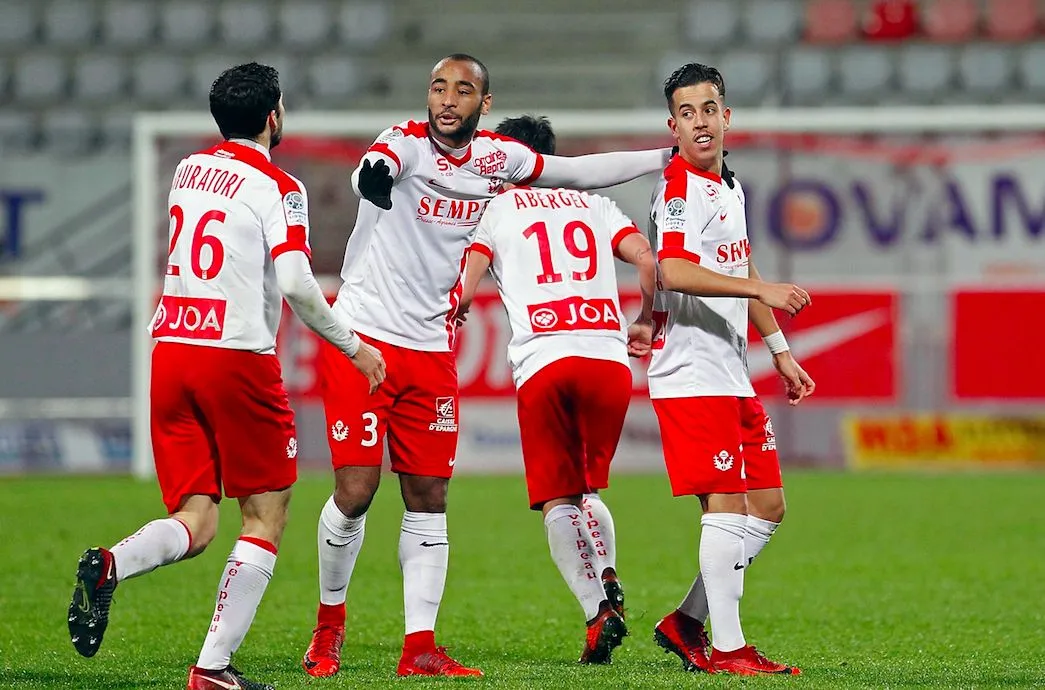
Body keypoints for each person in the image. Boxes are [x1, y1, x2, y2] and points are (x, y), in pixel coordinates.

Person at [302, 53, 674, 678]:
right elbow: (378, 165)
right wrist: (373, 178)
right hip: (363, 340)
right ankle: (328, 627)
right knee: (356, 491)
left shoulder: (498, 163)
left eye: (463, 90)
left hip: (431, 349)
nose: (447, 99)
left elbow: (578, 171)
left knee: (429, 498)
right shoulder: (403, 143)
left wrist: (663, 158)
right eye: (439, 87)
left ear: (485, 104)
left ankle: (419, 647)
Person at [66, 62, 385, 690]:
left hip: (171, 349)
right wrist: (354, 348)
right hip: (233, 356)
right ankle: (211, 669)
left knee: (198, 519)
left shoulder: (187, 171)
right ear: (274, 116)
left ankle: (110, 564)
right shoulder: (278, 186)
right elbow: (295, 283)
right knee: (266, 513)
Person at [457, 114, 656, 664]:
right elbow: (648, 259)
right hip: (608, 362)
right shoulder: (594, 205)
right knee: (588, 491)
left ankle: (597, 611)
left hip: (547, 360)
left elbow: (465, 283)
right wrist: (648, 317)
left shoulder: (494, 210)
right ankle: (608, 570)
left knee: (557, 500)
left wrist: (456, 309)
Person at [645, 63, 815, 676]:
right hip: (690, 372)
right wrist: (766, 292)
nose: (700, 122)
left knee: (766, 505)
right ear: (673, 125)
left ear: (726, 115)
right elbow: (674, 270)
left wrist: (780, 351)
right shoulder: (680, 187)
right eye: (687, 113)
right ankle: (730, 647)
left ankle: (686, 622)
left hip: (730, 371)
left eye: (709, 109)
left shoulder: (728, 188)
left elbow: (740, 271)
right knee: (725, 503)